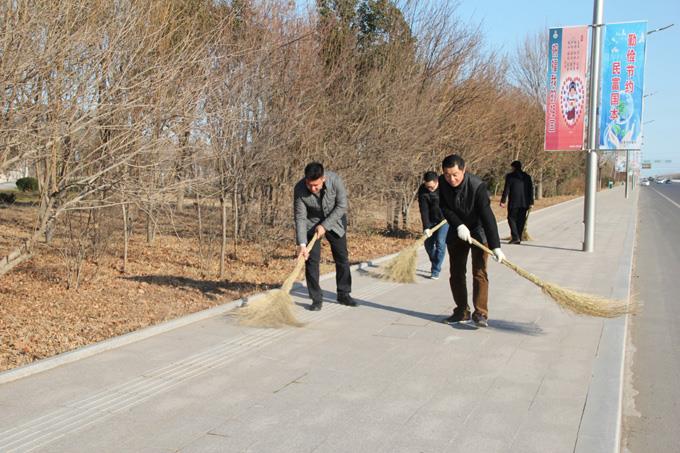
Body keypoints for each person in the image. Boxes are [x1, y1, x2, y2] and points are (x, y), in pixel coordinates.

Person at [438, 154, 505, 327]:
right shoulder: (442, 183)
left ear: (464, 170)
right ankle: (461, 311)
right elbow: (445, 208)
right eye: (447, 175)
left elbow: (487, 216)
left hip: (479, 230)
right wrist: (459, 225)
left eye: (455, 175)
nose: (451, 179)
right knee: (456, 273)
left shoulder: (477, 186)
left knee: (479, 272)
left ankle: (480, 313)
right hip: (457, 231)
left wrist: (496, 246)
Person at [294, 162, 356, 311]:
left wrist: (325, 225)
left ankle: (344, 294)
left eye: (316, 185)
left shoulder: (335, 181)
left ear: (323, 178)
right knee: (311, 261)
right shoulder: (299, 188)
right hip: (311, 223)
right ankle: (316, 299)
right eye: (309, 185)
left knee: (342, 257)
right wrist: (302, 244)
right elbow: (300, 217)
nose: (312, 189)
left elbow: (342, 206)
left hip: (335, 221)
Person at [417, 171, 449, 280]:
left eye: (431, 187)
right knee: (428, 244)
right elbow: (424, 210)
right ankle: (436, 261)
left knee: (440, 242)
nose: (429, 189)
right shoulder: (423, 190)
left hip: (444, 220)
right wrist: (426, 227)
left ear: (437, 182)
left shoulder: (445, 187)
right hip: (430, 220)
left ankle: (435, 270)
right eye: (427, 186)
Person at [500, 160, 534, 245]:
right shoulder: (527, 176)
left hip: (514, 202)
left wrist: (503, 201)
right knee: (521, 220)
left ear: (513, 167)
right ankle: (518, 237)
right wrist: (531, 202)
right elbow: (531, 190)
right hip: (525, 202)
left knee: (511, 218)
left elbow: (506, 189)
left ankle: (515, 237)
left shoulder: (510, 176)